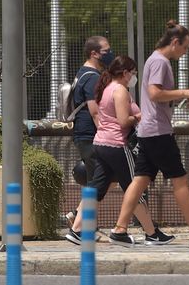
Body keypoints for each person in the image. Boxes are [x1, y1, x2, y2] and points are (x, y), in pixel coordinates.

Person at [109, 20, 189, 248]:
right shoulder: (161, 62)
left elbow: (156, 94)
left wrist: (178, 97)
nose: (186, 52)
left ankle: (120, 229)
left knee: (141, 179)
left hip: (148, 131)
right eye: (185, 47)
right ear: (175, 42)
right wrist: (184, 92)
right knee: (180, 180)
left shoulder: (154, 60)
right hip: (158, 132)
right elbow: (154, 93)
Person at [65, 56, 174, 246]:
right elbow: (124, 121)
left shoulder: (106, 88)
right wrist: (139, 116)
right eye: (133, 73)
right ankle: (150, 232)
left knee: (96, 189)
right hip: (116, 145)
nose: (134, 77)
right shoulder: (120, 91)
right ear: (125, 73)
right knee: (135, 188)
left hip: (100, 144)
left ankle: (77, 230)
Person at [65, 36, 114, 225]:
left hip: (84, 135)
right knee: (97, 182)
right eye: (106, 51)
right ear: (94, 53)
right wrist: (107, 134)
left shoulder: (82, 73)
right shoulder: (92, 77)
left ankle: (76, 216)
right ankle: (82, 227)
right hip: (90, 135)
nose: (109, 54)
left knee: (99, 179)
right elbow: (95, 112)